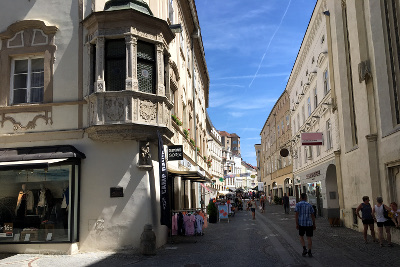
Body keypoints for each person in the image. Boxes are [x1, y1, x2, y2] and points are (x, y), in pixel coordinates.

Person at [295, 193, 316, 257]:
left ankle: (304, 249)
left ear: (301, 197)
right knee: (309, 237)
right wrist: (314, 224)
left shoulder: (298, 204)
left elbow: (296, 215)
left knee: (301, 236)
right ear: (306, 198)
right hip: (309, 224)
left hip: (301, 223)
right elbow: (313, 215)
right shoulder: (309, 205)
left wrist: (296, 223)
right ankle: (309, 251)